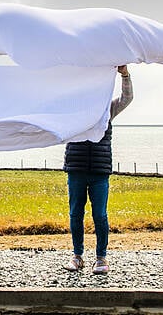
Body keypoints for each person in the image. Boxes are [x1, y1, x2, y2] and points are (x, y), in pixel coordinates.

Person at [62, 65, 133, 274]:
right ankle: (77, 256)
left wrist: (125, 75)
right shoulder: (72, 109)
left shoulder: (107, 109)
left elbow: (126, 98)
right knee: (76, 214)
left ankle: (101, 258)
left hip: (99, 172)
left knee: (100, 215)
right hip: (76, 169)